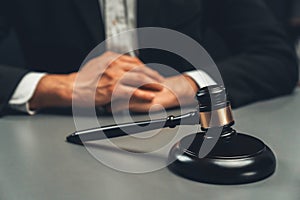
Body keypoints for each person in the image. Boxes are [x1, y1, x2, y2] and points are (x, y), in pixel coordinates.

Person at [0, 0, 298, 116]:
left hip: (179, 138)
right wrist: (57, 88)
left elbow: (276, 57)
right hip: (52, 142)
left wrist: (183, 87)